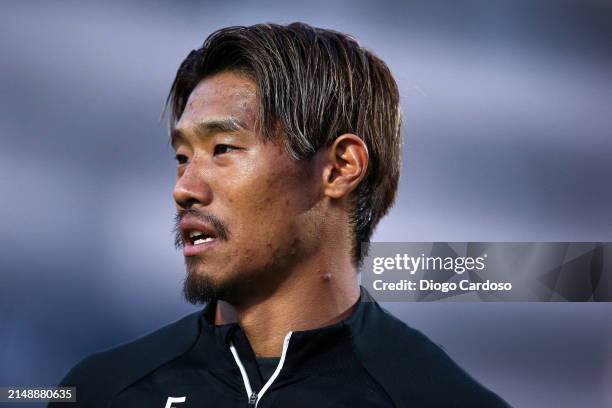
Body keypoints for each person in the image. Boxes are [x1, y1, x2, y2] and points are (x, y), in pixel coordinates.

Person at [51, 22, 510, 407]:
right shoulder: (99, 391)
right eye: (182, 156)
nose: (184, 189)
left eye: (223, 148)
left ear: (339, 168)